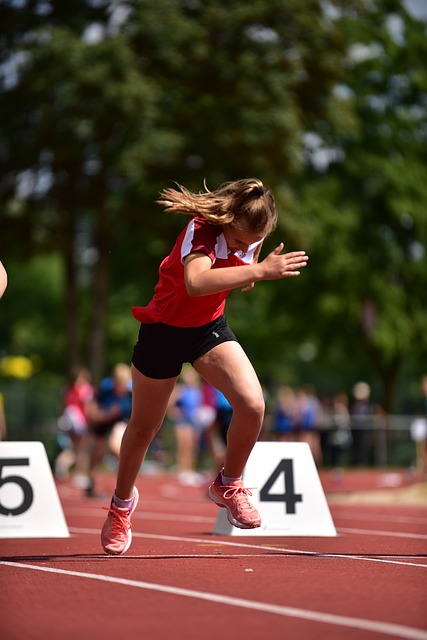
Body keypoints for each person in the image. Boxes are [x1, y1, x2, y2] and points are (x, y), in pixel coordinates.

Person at [100, 177, 308, 555]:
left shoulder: (253, 234)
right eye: (242, 241)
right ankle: (120, 506)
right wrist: (258, 272)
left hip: (207, 329)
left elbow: (239, 267)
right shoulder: (201, 230)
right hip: (163, 329)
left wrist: (251, 267)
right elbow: (196, 282)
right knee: (144, 427)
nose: (248, 248)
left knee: (253, 404)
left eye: (253, 243)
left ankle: (228, 483)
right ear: (227, 219)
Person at [85, 363, 132, 497]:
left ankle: (125, 478)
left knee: (114, 444)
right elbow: (93, 408)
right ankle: (92, 483)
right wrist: (103, 416)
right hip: (103, 422)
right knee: (96, 453)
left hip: (121, 422)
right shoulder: (105, 390)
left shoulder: (130, 394)